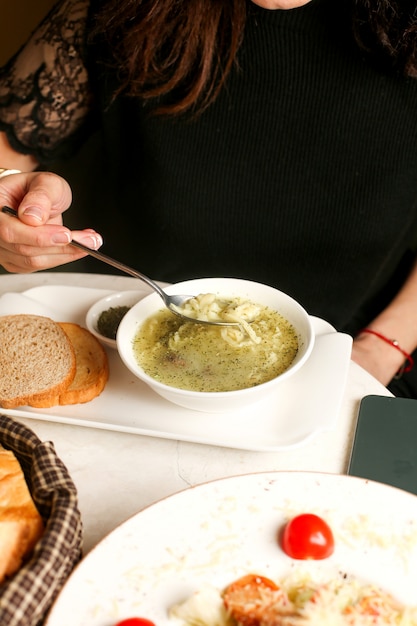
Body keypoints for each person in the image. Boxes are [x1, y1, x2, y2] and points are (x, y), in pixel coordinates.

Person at [0, 0, 417, 397]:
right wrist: (10, 207)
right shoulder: (115, 9)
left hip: (354, 341)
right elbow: (8, 152)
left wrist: (383, 345)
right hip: (116, 316)